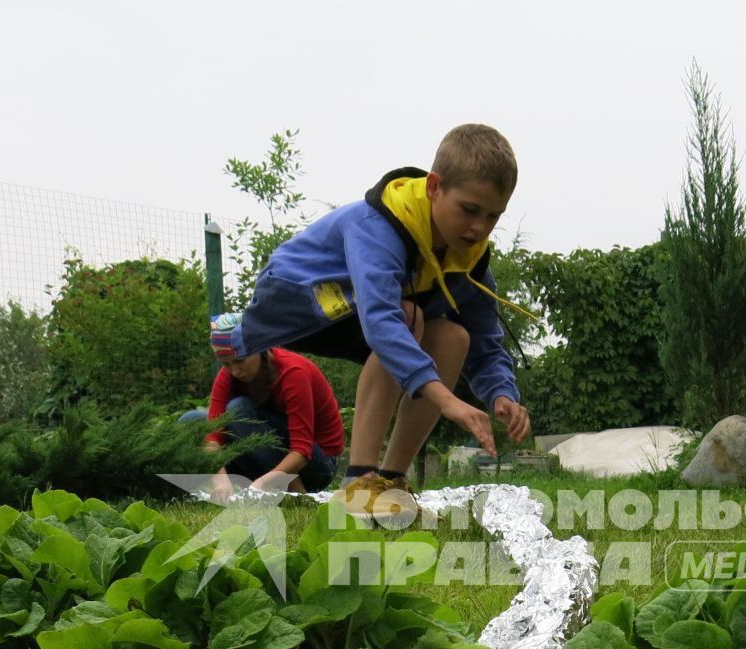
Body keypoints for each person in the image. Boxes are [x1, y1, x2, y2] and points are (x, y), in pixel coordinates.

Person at [208, 123, 533, 520]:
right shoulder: (379, 226)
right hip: (298, 299)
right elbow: (381, 320)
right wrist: (448, 401)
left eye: (492, 216)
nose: (479, 227)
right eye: (469, 210)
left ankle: (390, 483)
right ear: (434, 187)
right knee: (406, 316)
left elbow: (485, 339)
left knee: (453, 336)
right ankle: (358, 483)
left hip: (379, 310)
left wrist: (502, 394)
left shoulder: (469, 258)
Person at [194, 345, 344, 500]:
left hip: (317, 463)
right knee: (192, 421)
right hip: (270, 452)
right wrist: (220, 480)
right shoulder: (229, 375)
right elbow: (212, 436)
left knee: (237, 409)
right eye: (226, 364)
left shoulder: (293, 372)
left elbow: (302, 451)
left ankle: (296, 493)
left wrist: (263, 483)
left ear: (259, 349)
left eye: (240, 361)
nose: (235, 371)